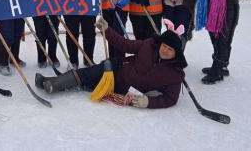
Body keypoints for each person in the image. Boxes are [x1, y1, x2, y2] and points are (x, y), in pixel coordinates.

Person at [35, 16, 188, 109]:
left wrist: (148, 102)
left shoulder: (175, 74)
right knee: (87, 73)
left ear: (176, 53)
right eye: (164, 46)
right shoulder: (149, 45)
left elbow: (170, 99)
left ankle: (49, 82)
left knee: (88, 84)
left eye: (170, 49)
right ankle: (53, 84)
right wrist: (107, 30)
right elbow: (124, 44)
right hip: (116, 68)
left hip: (121, 89)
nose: (165, 50)